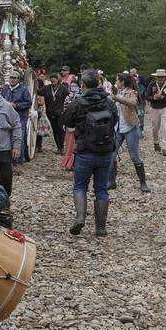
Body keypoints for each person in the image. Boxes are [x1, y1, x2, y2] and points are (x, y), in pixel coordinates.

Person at [61, 69, 116, 236]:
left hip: (84, 151)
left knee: (79, 186)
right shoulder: (109, 103)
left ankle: (80, 218)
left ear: (83, 84)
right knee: (101, 189)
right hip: (105, 151)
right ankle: (100, 228)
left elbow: (66, 120)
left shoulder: (79, 102)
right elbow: (114, 121)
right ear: (99, 83)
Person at [109, 72, 150, 193]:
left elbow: (132, 102)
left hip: (130, 127)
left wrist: (115, 98)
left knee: (134, 156)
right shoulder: (119, 93)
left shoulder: (132, 93)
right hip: (118, 128)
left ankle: (143, 182)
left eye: (117, 80)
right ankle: (111, 181)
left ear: (122, 82)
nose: (116, 82)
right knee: (111, 154)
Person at [1, 71, 32, 164]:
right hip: (7, 117)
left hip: (20, 117)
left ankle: (18, 161)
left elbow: (28, 103)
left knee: (19, 138)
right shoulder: (5, 89)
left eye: (14, 78)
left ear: (18, 79)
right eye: (11, 77)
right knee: (6, 137)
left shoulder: (23, 90)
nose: (12, 79)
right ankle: (8, 159)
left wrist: (16, 105)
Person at [146, 69, 166, 155]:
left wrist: (162, 97)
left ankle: (165, 147)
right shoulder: (151, 85)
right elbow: (147, 96)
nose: (160, 79)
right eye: (159, 77)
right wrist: (154, 98)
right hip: (155, 108)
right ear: (156, 77)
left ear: (165, 77)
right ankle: (156, 142)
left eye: (162, 77)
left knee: (165, 127)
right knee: (155, 128)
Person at [48, 67, 71, 152]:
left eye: (54, 81)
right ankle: (58, 147)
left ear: (58, 80)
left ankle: (61, 146)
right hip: (50, 112)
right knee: (54, 129)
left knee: (60, 129)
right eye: (51, 81)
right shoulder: (47, 88)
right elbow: (39, 91)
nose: (53, 83)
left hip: (60, 112)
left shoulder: (63, 88)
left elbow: (69, 96)